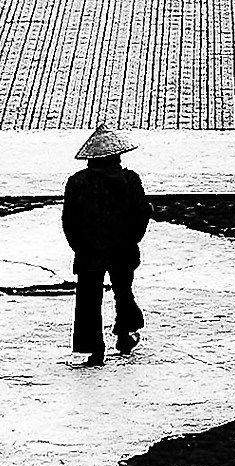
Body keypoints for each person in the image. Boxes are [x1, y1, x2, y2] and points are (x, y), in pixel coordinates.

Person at [62, 123, 149, 367]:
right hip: (123, 248)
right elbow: (141, 213)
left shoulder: (77, 183)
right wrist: (132, 239)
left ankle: (94, 349)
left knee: (89, 300)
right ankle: (125, 334)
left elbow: (69, 221)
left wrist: (79, 246)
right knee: (123, 291)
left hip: (89, 250)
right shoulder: (130, 180)